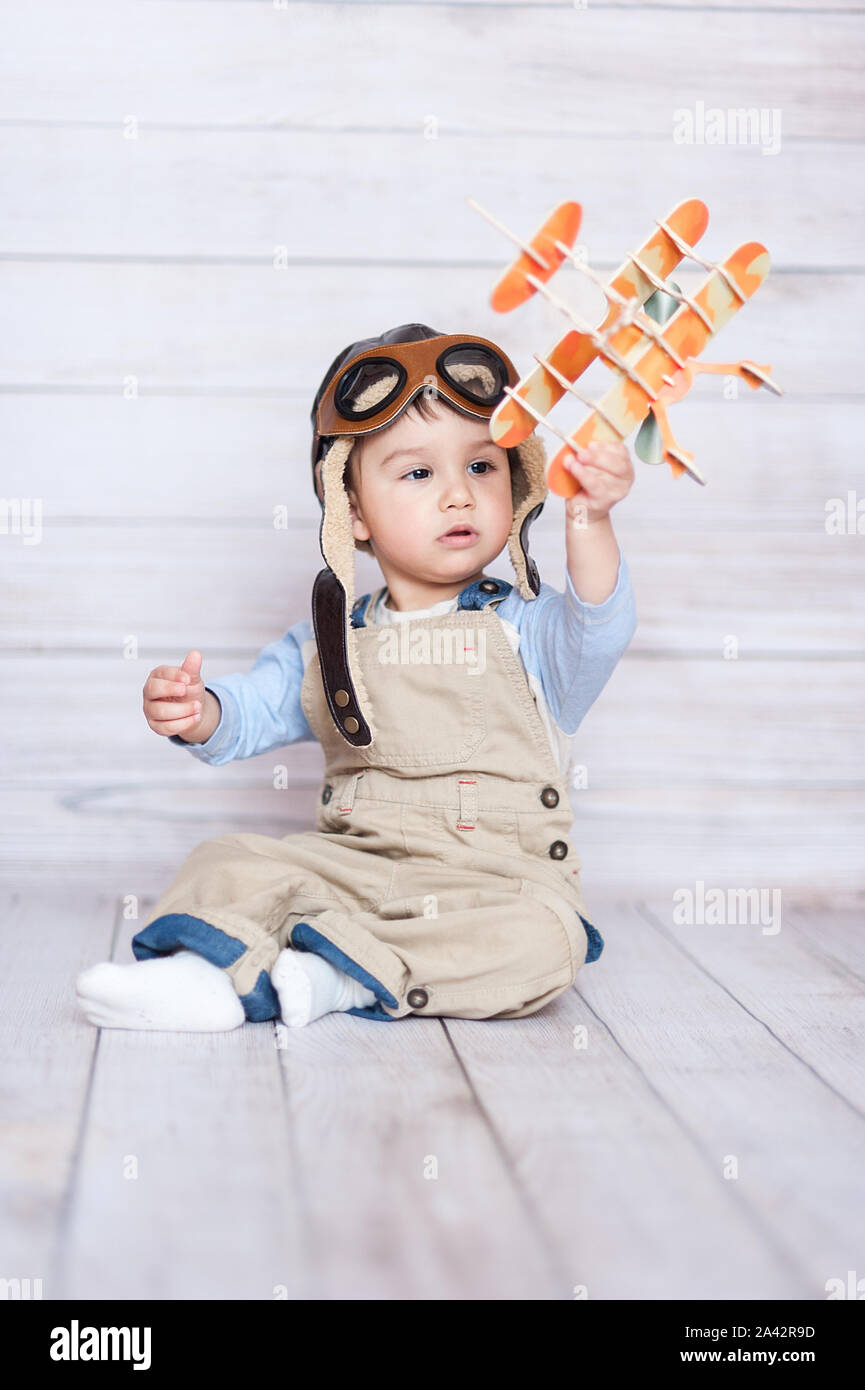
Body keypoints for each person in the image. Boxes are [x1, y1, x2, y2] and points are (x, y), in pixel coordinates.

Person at [76, 323, 637, 1033]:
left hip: (493, 882)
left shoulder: (531, 630)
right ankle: (200, 976)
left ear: (517, 477)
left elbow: (600, 621)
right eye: (417, 473)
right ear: (353, 513)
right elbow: (253, 710)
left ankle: (330, 976)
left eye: (481, 466)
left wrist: (589, 516)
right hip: (351, 867)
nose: (458, 495)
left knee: (545, 941)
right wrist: (200, 712)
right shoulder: (327, 641)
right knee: (229, 857)